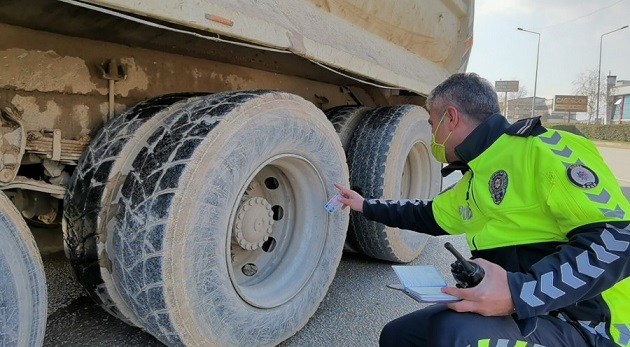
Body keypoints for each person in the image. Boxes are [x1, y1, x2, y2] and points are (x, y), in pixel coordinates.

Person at [335, 72, 630, 347]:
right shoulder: (475, 180)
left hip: (589, 326)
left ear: (450, 118)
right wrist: (364, 205)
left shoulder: (548, 148)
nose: (431, 135)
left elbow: (619, 240)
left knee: (459, 335)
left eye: (430, 123)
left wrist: (519, 293)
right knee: (400, 336)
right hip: (524, 312)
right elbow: (426, 214)